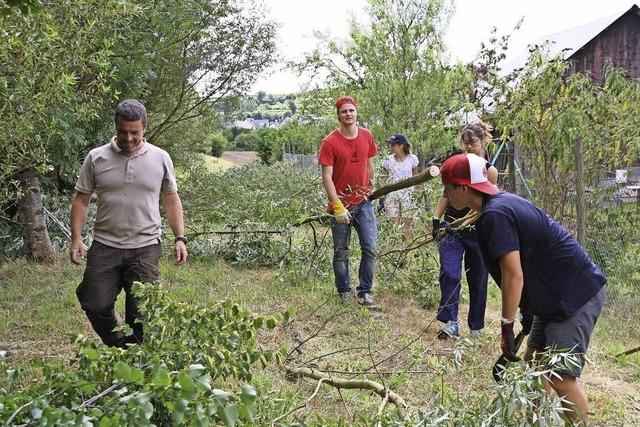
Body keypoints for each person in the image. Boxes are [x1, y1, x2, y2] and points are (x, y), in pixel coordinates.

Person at [440, 152, 606, 425]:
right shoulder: (495, 206)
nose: (446, 194)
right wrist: (528, 313)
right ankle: (535, 421)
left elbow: (513, 275)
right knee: (533, 365)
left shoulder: (496, 214)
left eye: (447, 187)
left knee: (561, 378)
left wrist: (506, 327)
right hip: (551, 297)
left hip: (573, 295)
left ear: (464, 187)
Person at [70, 99, 188, 347]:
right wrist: (76, 239)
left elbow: (171, 198)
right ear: (116, 127)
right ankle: (118, 346)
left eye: (135, 132)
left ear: (144, 128)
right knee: (94, 301)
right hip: (105, 243)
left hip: (145, 246)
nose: (129, 138)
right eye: (123, 131)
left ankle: (133, 360)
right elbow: (81, 199)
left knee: (141, 312)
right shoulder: (96, 158)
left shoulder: (160, 158)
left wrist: (180, 237)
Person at [432, 122, 497, 339]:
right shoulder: (457, 166)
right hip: (451, 229)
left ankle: (476, 327)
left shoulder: (490, 171)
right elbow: (445, 195)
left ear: (483, 141)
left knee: (478, 279)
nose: (469, 147)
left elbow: (486, 206)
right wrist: (436, 219)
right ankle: (451, 322)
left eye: (473, 142)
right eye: (465, 143)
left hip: (478, 232)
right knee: (449, 273)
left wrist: (466, 223)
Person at [318, 95, 378, 306]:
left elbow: (370, 164)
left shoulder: (367, 136)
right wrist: (337, 206)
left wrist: (370, 188)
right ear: (339, 115)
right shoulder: (330, 142)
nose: (348, 114)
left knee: (370, 247)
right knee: (341, 251)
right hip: (340, 205)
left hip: (363, 202)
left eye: (351, 110)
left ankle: (365, 291)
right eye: (344, 111)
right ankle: (343, 290)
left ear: (356, 112)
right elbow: (326, 177)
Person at [381, 134, 419, 243]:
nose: (391, 147)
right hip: (392, 196)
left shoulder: (412, 159)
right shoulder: (388, 160)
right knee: (394, 226)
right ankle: (395, 249)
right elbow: (383, 177)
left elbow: (416, 177)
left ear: (401, 146)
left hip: (407, 195)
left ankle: (406, 252)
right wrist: (383, 194)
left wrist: (416, 193)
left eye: (393, 145)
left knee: (407, 227)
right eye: (390, 145)